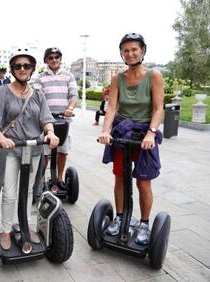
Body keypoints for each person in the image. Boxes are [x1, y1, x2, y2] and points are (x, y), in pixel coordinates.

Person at [0, 48, 59, 250]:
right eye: (18, 66)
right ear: (12, 69)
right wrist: (1, 138)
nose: (22, 69)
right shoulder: (3, 91)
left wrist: (50, 133)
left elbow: (45, 119)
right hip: (11, 149)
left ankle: (25, 225)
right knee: (9, 192)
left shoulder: (38, 94)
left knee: (29, 192)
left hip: (33, 149)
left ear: (32, 68)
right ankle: (7, 230)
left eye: (26, 65)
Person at [98, 33, 164, 245]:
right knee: (120, 177)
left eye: (134, 49)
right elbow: (111, 108)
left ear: (143, 51)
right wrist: (106, 131)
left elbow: (157, 108)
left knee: (143, 182)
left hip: (145, 133)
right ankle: (119, 217)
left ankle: (144, 223)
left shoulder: (154, 76)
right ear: (122, 54)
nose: (130, 53)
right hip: (123, 132)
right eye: (126, 50)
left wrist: (151, 133)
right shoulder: (118, 79)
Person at [34, 47, 79, 191]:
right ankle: (40, 180)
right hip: (46, 121)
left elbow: (73, 95)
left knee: (62, 150)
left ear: (60, 59)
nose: (54, 60)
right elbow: (37, 98)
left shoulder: (68, 76)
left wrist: (70, 109)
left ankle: (59, 179)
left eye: (56, 57)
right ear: (46, 60)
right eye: (51, 58)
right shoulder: (40, 77)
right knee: (45, 152)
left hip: (63, 119)